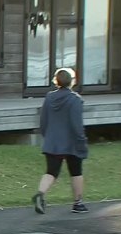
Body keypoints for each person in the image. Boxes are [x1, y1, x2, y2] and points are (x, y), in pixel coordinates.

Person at [32, 67, 89, 215]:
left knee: (51, 172)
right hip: (72, 142)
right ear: (72, 81)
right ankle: (78, 203)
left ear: (56, 81)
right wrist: (82, 141)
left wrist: (47, 136)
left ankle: (40, 194)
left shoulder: (49, 97)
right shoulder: (75, 99)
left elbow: (43, 120)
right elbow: (76, 124)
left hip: (53, 141)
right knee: (76, 172)